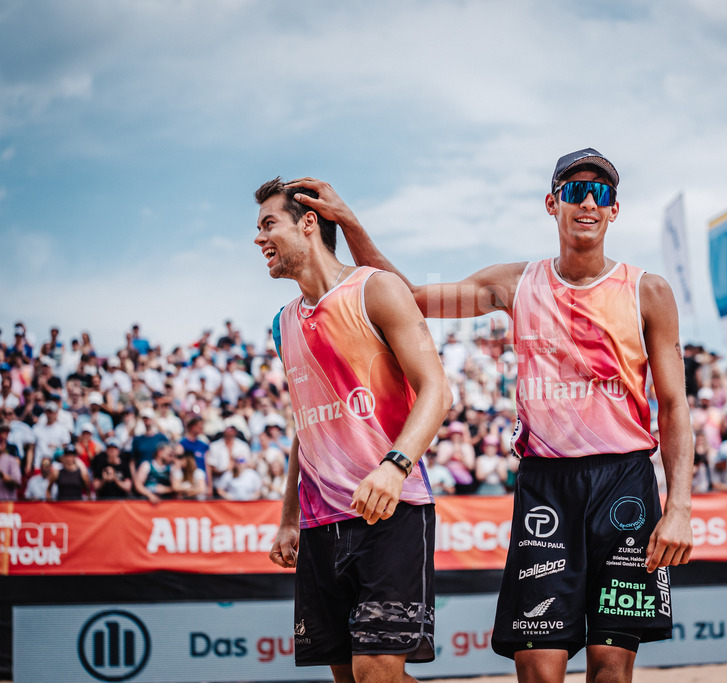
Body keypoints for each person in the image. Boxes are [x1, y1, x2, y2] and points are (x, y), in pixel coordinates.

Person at [286, 147, 695, 683]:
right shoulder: (516, 282)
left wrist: (680, 506)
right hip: (547, 485)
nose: (588, 202)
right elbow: (406, 298)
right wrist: (351, 222)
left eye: (602, 193)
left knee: (612, 670)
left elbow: (674, 406)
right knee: (537, 671)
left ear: (615, 209)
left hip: (626, 484)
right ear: (553, 203)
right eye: (575, 191)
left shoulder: (649, 292)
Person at [255, 177, 451, 683]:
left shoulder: (374, 289)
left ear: (308, 222)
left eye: (268, 224)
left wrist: (394, 466)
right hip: (320, 523)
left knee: (376, 673)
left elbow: (437, 390)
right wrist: (288, 517)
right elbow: (307, 423)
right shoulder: (282, 323)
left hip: (391, 508)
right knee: (348, 679)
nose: (258, 239)